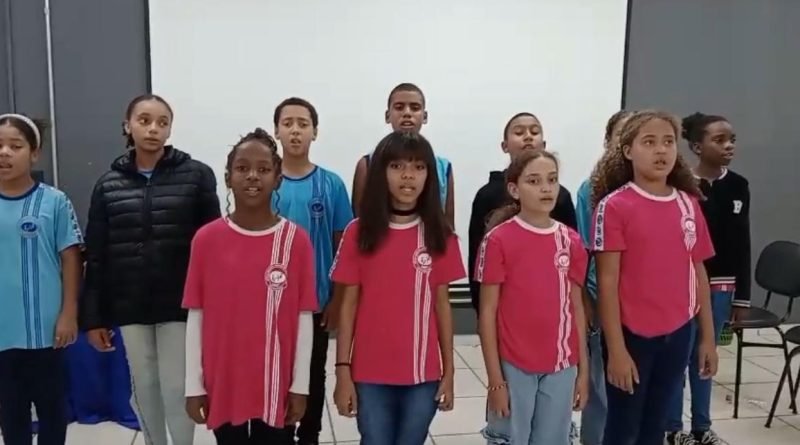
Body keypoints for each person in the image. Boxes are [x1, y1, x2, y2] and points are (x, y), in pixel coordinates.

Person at [80, 94, 221, 445]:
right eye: (144, 120)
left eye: (162, 122)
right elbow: (96, 255)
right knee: (144, 384)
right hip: (129, 304)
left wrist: (215, 303)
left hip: (180, 302)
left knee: (177, 385)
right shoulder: (108, 185)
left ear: (170, 129)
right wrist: (94, 317)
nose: (153, 129)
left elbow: (214, 246)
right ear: (128, 126)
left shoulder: (197, 176)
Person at [590, 110, 719, 445]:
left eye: (668, 142)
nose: (661, 150)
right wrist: (616, 349)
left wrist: (707, 337)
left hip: (678, 333)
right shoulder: (614, 206)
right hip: (632, 335)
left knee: (655, 426)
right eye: (649, 142)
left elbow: (698, 272)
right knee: (623, 428)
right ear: (628, 151)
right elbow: (607, 282)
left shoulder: (688, 204)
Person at [182, 128, 317, 444]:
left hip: (276, 382)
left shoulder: (295, 241)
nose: (253, 176)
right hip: (224, 380)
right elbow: (196, 316)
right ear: (228, 178)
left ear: (278, 179)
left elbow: (303, 318)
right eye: (242, 168)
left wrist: (300, 386)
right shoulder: (206, 240)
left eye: (263, 169)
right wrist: (194, 386)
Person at [331, 131, 465, 444]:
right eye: (397, 166)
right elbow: (348, 306)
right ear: (381, 173)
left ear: (429, 176)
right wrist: (342, 370)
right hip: (369, 373)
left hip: (422, 374)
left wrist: (449, 372)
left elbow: (442, 306)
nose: (408, 175)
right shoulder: (358, 233)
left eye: (418, 167)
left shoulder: (440, 235)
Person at [476, 149, 589, 445]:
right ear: (515, 189)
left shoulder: (571, 241)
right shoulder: (498, 240)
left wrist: (582, 372)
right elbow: (487, 313)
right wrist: (495, 381)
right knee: (510, 437)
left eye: (552, 180)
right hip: (513, 364)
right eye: (534, 181)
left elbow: (576, 308)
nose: (545, 188)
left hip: (561, 364)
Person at [664, 112, 751, 445]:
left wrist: (742, 297)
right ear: (697, 146)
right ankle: (673, 428)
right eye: (719, 140)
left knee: (706, 356)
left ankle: (702, 426)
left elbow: (743, 242)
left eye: (732, 140)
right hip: (683, 286)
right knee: (677, 357)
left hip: (722, 288)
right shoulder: (682, 185)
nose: (729, 146)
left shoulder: (739, 185)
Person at [271, 97, 353, 445]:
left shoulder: (331, 185)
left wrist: (337, 299)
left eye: (303, 124)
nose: (295, 131)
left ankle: (310, 435)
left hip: (316, 303)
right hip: (271, 303)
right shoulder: (265, 183)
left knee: (312, 374)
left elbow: (344, 249)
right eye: (287, 123)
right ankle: (279, 432)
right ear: (276, 131)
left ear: (315, 132)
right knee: (276, 372)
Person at [0, 114, 83, 445]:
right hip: (3, 333)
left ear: (34, 153)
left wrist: (69, 312)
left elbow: (71, 258)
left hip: (46, 331)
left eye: (15, 146)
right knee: (11, 413)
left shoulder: (54, 201)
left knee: (52, 410)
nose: (5, 152)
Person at [469, 112, 577, 315]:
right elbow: (477, 257)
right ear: (504, 146)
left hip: (553, 304)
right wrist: (481, 312)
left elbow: (573, 257)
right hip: (504, 306)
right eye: (519, 132)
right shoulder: (487, 195)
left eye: (534, 132)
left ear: (543, 144)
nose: (528, 137)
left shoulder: (560, 196)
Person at [572, 110, 632, 445]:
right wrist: (589, 303)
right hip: (603, 301)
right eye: (623, 135)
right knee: (601, 390)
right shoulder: (591, 190)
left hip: (646, 309)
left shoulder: (658, 191)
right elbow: (584, 254)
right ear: (609, 142)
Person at [351, 83, 456, 227]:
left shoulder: (443, 168)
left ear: (425, 116)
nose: (407, 113)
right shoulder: (368, 164)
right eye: (399, 107)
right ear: (387, 116)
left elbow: (448, 224)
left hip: (427, 240)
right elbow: (359, 221)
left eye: (415, 108)